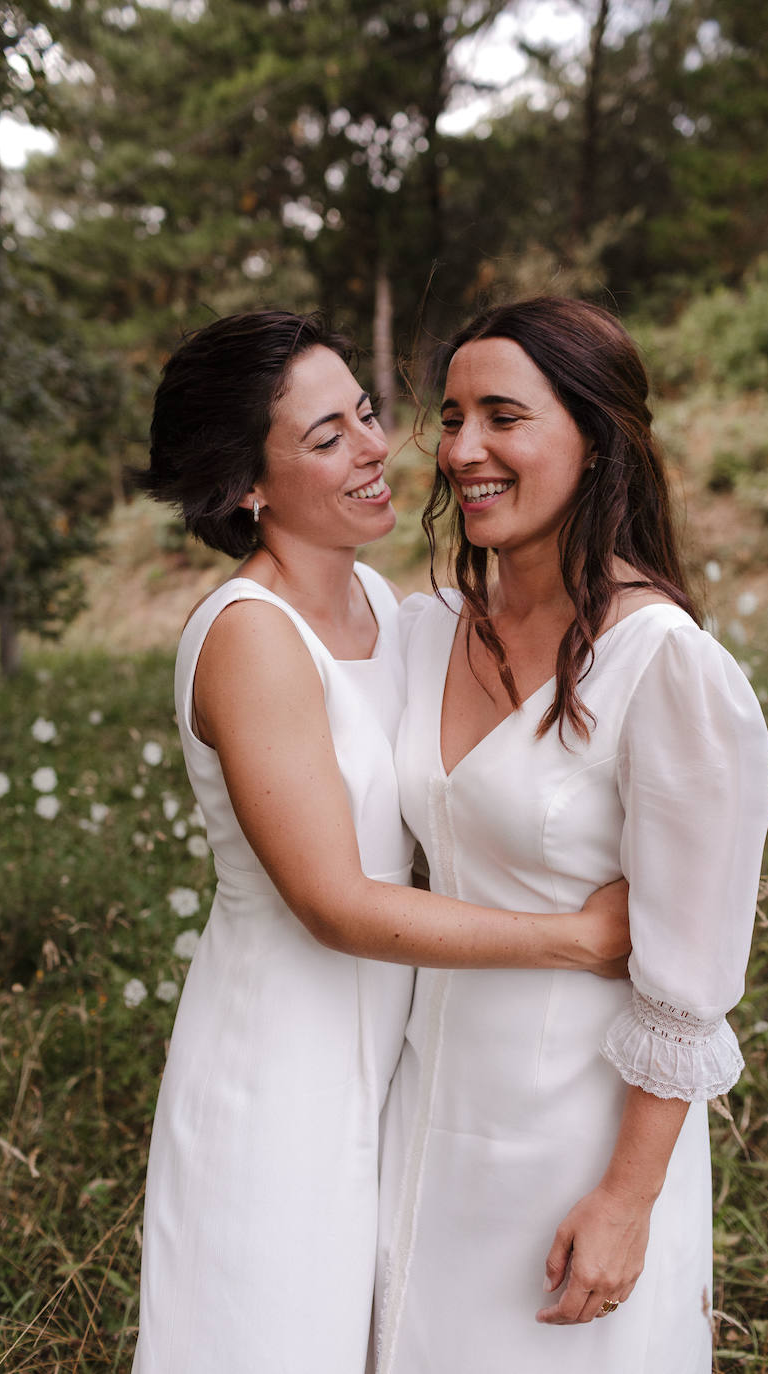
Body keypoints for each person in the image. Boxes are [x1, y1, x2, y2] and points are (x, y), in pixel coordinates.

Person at [129, 309, 629, 1374]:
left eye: (364, 411)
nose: (372, 445)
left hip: (390, 1053)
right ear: (245, 485)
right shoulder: (250, 635)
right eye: (325, 436)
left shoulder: (368, 597)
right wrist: (577, 939)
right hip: (279, 1061)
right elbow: (336, 902)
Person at [374, 296, 768, 1374]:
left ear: (596, 440)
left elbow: (688, 981)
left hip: (574, 1137)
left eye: (504, 416)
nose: (462, 450)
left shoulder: (665, 666)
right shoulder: (425, 633)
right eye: (450, 417)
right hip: (420, 1111)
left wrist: (626, 1198)